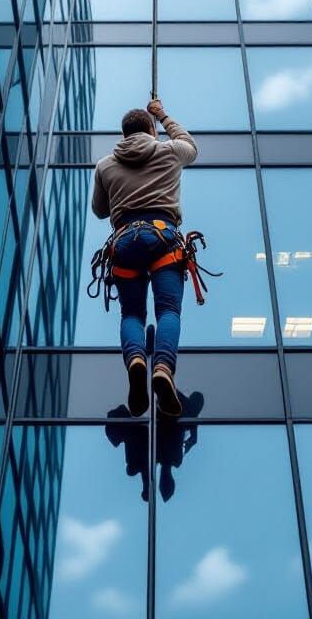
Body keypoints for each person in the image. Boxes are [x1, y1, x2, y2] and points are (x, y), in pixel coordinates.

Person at [91, 98, 197, 417]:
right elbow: (190, 146)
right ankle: (162, 368)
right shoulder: (169, 151)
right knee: (167, 311)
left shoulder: (106, 165)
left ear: (124, 135)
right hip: (164, 238)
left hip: (124, 243)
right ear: (152, 130)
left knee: (132, 315)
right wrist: (162, 115)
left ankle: (136, 360)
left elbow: (99, 210)